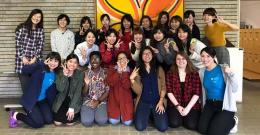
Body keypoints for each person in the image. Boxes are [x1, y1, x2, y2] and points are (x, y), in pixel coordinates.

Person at [9, 52, 61, 128]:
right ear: (47, 60)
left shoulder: (56, 74)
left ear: (59, 63)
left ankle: (33, 114)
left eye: (56, 61)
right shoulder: (40, 68)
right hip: (31, 100)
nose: (53, 63)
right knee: (38, 124)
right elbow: (24, 70)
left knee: (49, 120)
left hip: (42, 100)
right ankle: (16, 115)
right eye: (51, 60)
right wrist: (40, 64)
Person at [198, 47, 239, 135]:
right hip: (210, 104)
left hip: (224, 106)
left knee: (214, 132)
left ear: (214, 57)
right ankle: (218, 120)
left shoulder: (223, 69)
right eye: (202, 56)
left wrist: (231, 74)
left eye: (208, 56)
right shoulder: (201, 72)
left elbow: (235, 88)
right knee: (202, 129)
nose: (205, 59)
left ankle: (233, 121)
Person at [130, 46, 168, 132]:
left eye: (149, 53)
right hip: (143, 101)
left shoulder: (159, 68)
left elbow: (163, 86)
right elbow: (138, 91)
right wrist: (132, 79)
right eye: (144, 53)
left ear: (152, 55)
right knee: (140, 127)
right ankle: (148, 114)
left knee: (163, 127)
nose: (147, 55)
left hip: (157, 101)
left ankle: (152, 115)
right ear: (141, 56)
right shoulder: (138, 70)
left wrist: (161, 101)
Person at [166, 52, 202, 130]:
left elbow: (197, 93)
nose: (181, 61)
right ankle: (181, 117)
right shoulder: (170, 73)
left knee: (191, 125)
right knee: (174, 123)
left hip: (190, 104)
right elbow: (169, 92)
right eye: (178, 59)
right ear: (175, 61)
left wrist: (188, 108)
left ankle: (184, 117)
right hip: (175, 104)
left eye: (183, 58)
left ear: (187, 60)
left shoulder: (194, 73)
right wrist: (178, 107)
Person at [15, 9, 44, 93]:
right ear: (31, 16)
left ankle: (33, 104)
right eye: (35, 16)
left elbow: (40, 46)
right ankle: (27, 105)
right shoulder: (22, 27)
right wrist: (22, 57)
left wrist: (35, 58)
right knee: (25, 87)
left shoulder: (40, 30)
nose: (36, 18)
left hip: (34, 62)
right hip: (21, 63)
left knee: (34, 86)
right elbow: (18, 44)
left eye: (39, 17)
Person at [52, 53, 84, 126]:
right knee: (57, 122)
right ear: (66, 62)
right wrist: (65, 76)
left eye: (75, 62)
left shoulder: (80, 74)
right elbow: (60, 89)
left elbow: (78, 92)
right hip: (61, 100)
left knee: (70, 123)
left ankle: (76, 113)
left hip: (73, 100)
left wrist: (72, 107)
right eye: (70, 61)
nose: (72, 64)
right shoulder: (59, 72)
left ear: (78, 64)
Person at [81, 51, 109, 126]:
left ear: (101, 61)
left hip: (101, 100)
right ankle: (91, 113)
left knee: (102, 121)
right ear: (89, 61)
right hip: (88, 100)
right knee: (86, 122)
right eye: (92, 59)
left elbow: (107, 91)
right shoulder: (85, 73)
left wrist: (98, 101)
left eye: (97, 59)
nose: (94, 61)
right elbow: (83, 93)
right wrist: (86, 84)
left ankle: (97, 113)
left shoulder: (105, 72)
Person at [107, 52, 134, 126]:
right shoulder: (112, 69)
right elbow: (110, 83)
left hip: (126, 101)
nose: (122, 60)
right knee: (113, 121)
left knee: (127, 122)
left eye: (124, 58)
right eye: (119, 59)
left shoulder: (130, 71)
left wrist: (124, 72)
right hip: (114, 100)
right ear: (117, 61)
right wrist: (118, 71)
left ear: (127, 60)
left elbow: (127, 86)